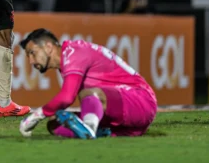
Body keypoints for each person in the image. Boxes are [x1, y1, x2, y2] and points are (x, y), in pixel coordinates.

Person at [18, 29, 157, 139]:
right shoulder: (68, 59)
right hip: (124, 120)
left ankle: (89, 128)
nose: (30, 61)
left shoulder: (73, 52)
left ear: (48, 47)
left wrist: (36, 116)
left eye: (32, 53)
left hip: (141, 102)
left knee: (91, 94)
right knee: (54, 124)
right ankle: (99, 132)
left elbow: (67, 97)